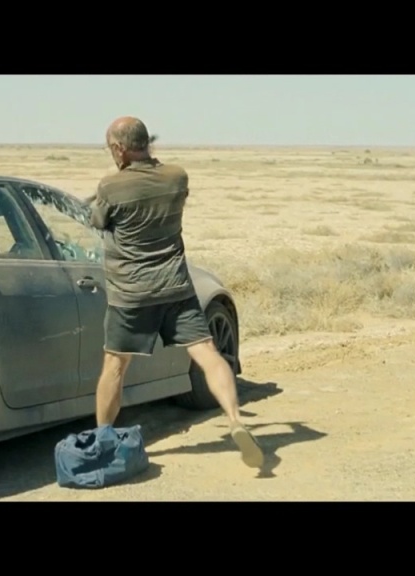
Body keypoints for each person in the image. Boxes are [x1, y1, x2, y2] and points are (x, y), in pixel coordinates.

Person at [83, 116, 264, 469]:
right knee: (208, 353)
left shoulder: (111, 186)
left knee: (115, 366)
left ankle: (104, 439)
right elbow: (158, 180)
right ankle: (235, 421)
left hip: (131, 294)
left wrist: (111, 187)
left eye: (111, 149)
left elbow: (98, 221)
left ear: (119, 149)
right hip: (176, 288)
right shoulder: (177, 177)